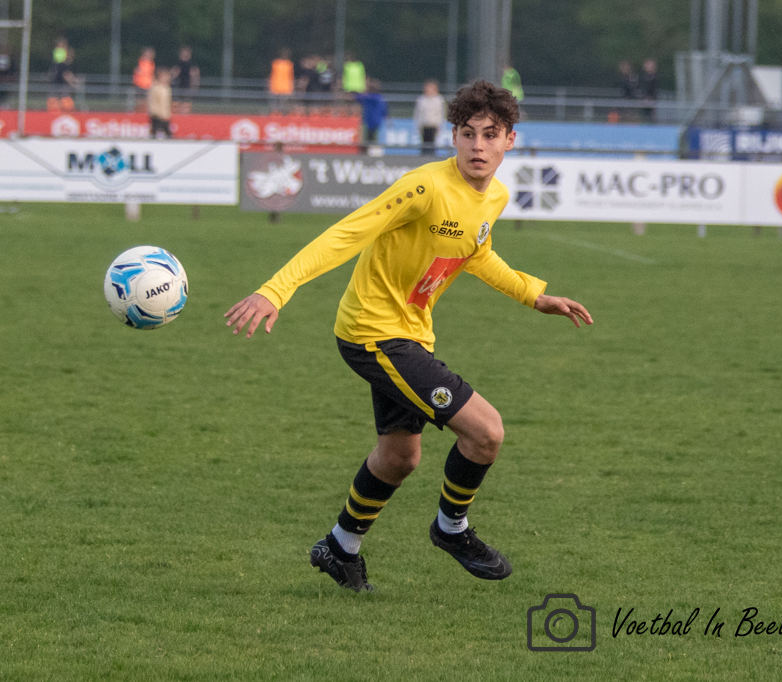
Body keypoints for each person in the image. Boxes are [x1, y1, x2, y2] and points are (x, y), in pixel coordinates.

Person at [224, 80, 593, 593]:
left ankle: (340, 547)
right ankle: (451, 528)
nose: (478, 146)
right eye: (468, 133)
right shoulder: (424, 188)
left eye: (491, 135)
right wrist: (275, 290)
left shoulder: (495, 196)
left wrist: (534, 295)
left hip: (411, 335)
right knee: (486, 432)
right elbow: (347, 233)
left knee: (400, 456)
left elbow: (477, 252)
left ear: (510, 140)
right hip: (373, 334)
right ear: (453, 136)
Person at [414, 79, 446, 155]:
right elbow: (418, 114)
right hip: (424, 125)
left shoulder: (439, 100)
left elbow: (441, 114)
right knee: (424, 145)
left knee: (432, 145)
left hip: (433, 125)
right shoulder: (421, 100)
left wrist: (440, 126)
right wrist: (418, 126)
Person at [355, 78, 388, 147]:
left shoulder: (373, 97)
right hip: (370, 120)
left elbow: (357, 97)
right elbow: (357, 98)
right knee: (369, 137)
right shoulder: (377, 97)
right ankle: (368, 148)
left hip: (374, 121)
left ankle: (371, 147)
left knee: (372, 138)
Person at [172, 46, 200, 114]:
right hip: (178, 89)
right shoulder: (177, 66)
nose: (184, 56)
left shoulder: (193, 67)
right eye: (183, 54)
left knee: (186, 106)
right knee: (176, 107)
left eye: (186, 54)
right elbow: (171, 77)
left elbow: (195, 79)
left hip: (187, 88)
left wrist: (194, 89)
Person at [148, 68, 173, 138]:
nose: (166, 78)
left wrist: (167, 113)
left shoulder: (166, 88)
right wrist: (156, 112)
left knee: (168, 134)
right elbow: (153, 102)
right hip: (157, 115)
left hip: (165, 115)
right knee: (155, 133)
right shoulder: (155, 88)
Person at [268, 48, 295, 113]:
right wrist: (270, 85)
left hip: (286, 88)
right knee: (274, 104)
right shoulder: (275, 63)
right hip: (275, 87)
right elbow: (272, 75)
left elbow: (291, 77)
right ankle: (274, 115)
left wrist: (291, 87)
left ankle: (282, 116)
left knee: (283, 105)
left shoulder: (289, 64)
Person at [639, 58, 659, 123]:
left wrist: (651, 98)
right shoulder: (643, 77)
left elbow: (655, 90)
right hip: (644, 102)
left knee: (651, 117)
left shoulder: (655, 77)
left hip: (652, 102)